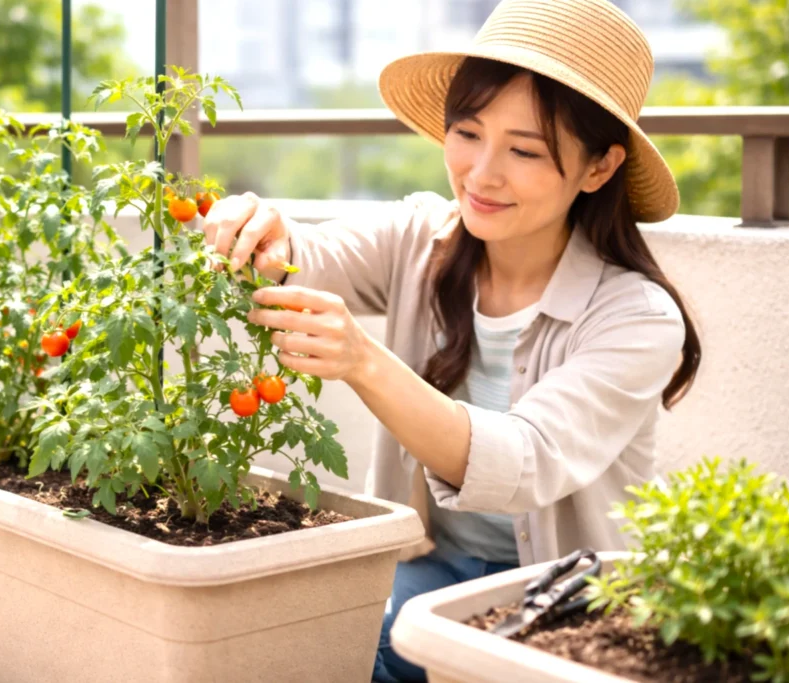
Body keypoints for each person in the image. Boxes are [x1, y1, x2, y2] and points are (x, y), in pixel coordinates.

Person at [202, 0, 701, 680]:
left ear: (599, 167)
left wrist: (363, 362)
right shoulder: (420, 238)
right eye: (467, 133)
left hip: (568, 599)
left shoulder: (636, 316)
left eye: (525, 150)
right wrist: (254, 226)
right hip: (430, 569)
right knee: (325, 643)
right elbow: (301, 257)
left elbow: (522, 461)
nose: (481, 173)